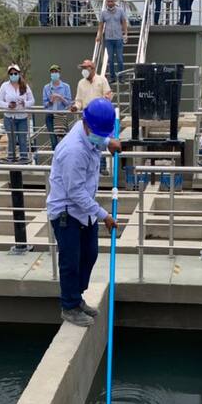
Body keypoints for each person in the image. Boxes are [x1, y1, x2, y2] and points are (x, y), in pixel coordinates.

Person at [47, 98, 122, 327]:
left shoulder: (88, 132)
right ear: (86, 123)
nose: (101, 136)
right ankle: (69, 306)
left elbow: (99, 137)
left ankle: (76, 298)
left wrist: (108, 141)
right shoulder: (73, 151)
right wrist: (104, 215)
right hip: (67, 211)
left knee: (89, 253)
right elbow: (75, 193)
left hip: (84, 209)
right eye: (99, 133)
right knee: (71, 260)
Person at [71, 59, 113, 175]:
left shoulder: (102, 80)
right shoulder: (81, 83)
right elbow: (79, 101)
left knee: (100, 141)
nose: (84, 70)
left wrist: (107, 97)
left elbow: (109, 94)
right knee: (87, 142)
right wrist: (75, 107)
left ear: (92, 68)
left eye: (86, 68)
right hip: (86, 118)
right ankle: (89, 167)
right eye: (83, 68)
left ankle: (102, 167)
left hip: (99, 116)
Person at [0, 64, 35, 161]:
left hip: (22, 117)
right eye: (11, 74)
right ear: (9, 75)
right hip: (9, 117)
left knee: (22, 140)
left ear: (19, 74)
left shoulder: (25, 86)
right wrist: (8, 105)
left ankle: (23, 159)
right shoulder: (4, 86)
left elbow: (32, 101)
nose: (13, 75)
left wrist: (24, 103)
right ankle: (11, 159)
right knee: (12, 140)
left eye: (15, 73)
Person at [96, 0, 128, 83]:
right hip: (108, 39)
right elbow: (101, 25)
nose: (110, 3)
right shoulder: (103, 13)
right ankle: (112, 77)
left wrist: (125, 34)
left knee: (120, 59)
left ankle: (121, 77)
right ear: (106, 2)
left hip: (118, 38)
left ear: (114, 1)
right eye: (108, 1)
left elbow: (124, 22)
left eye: (111, 1)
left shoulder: (120, 11)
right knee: (110, 59)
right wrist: (98, 35)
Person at [43, 64, 72, 150]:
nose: (54, 74)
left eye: (56, 72)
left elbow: (69, 103)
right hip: (50, 116)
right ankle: (55, 160)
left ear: (59, 73)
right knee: (53, 140)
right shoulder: (46, 87)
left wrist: (61, 98)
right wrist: (51, 101)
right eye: (52, 72)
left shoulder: (66, 87)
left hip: (61, 115)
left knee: (63, 139)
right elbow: (45, 104)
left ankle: (63, 159)